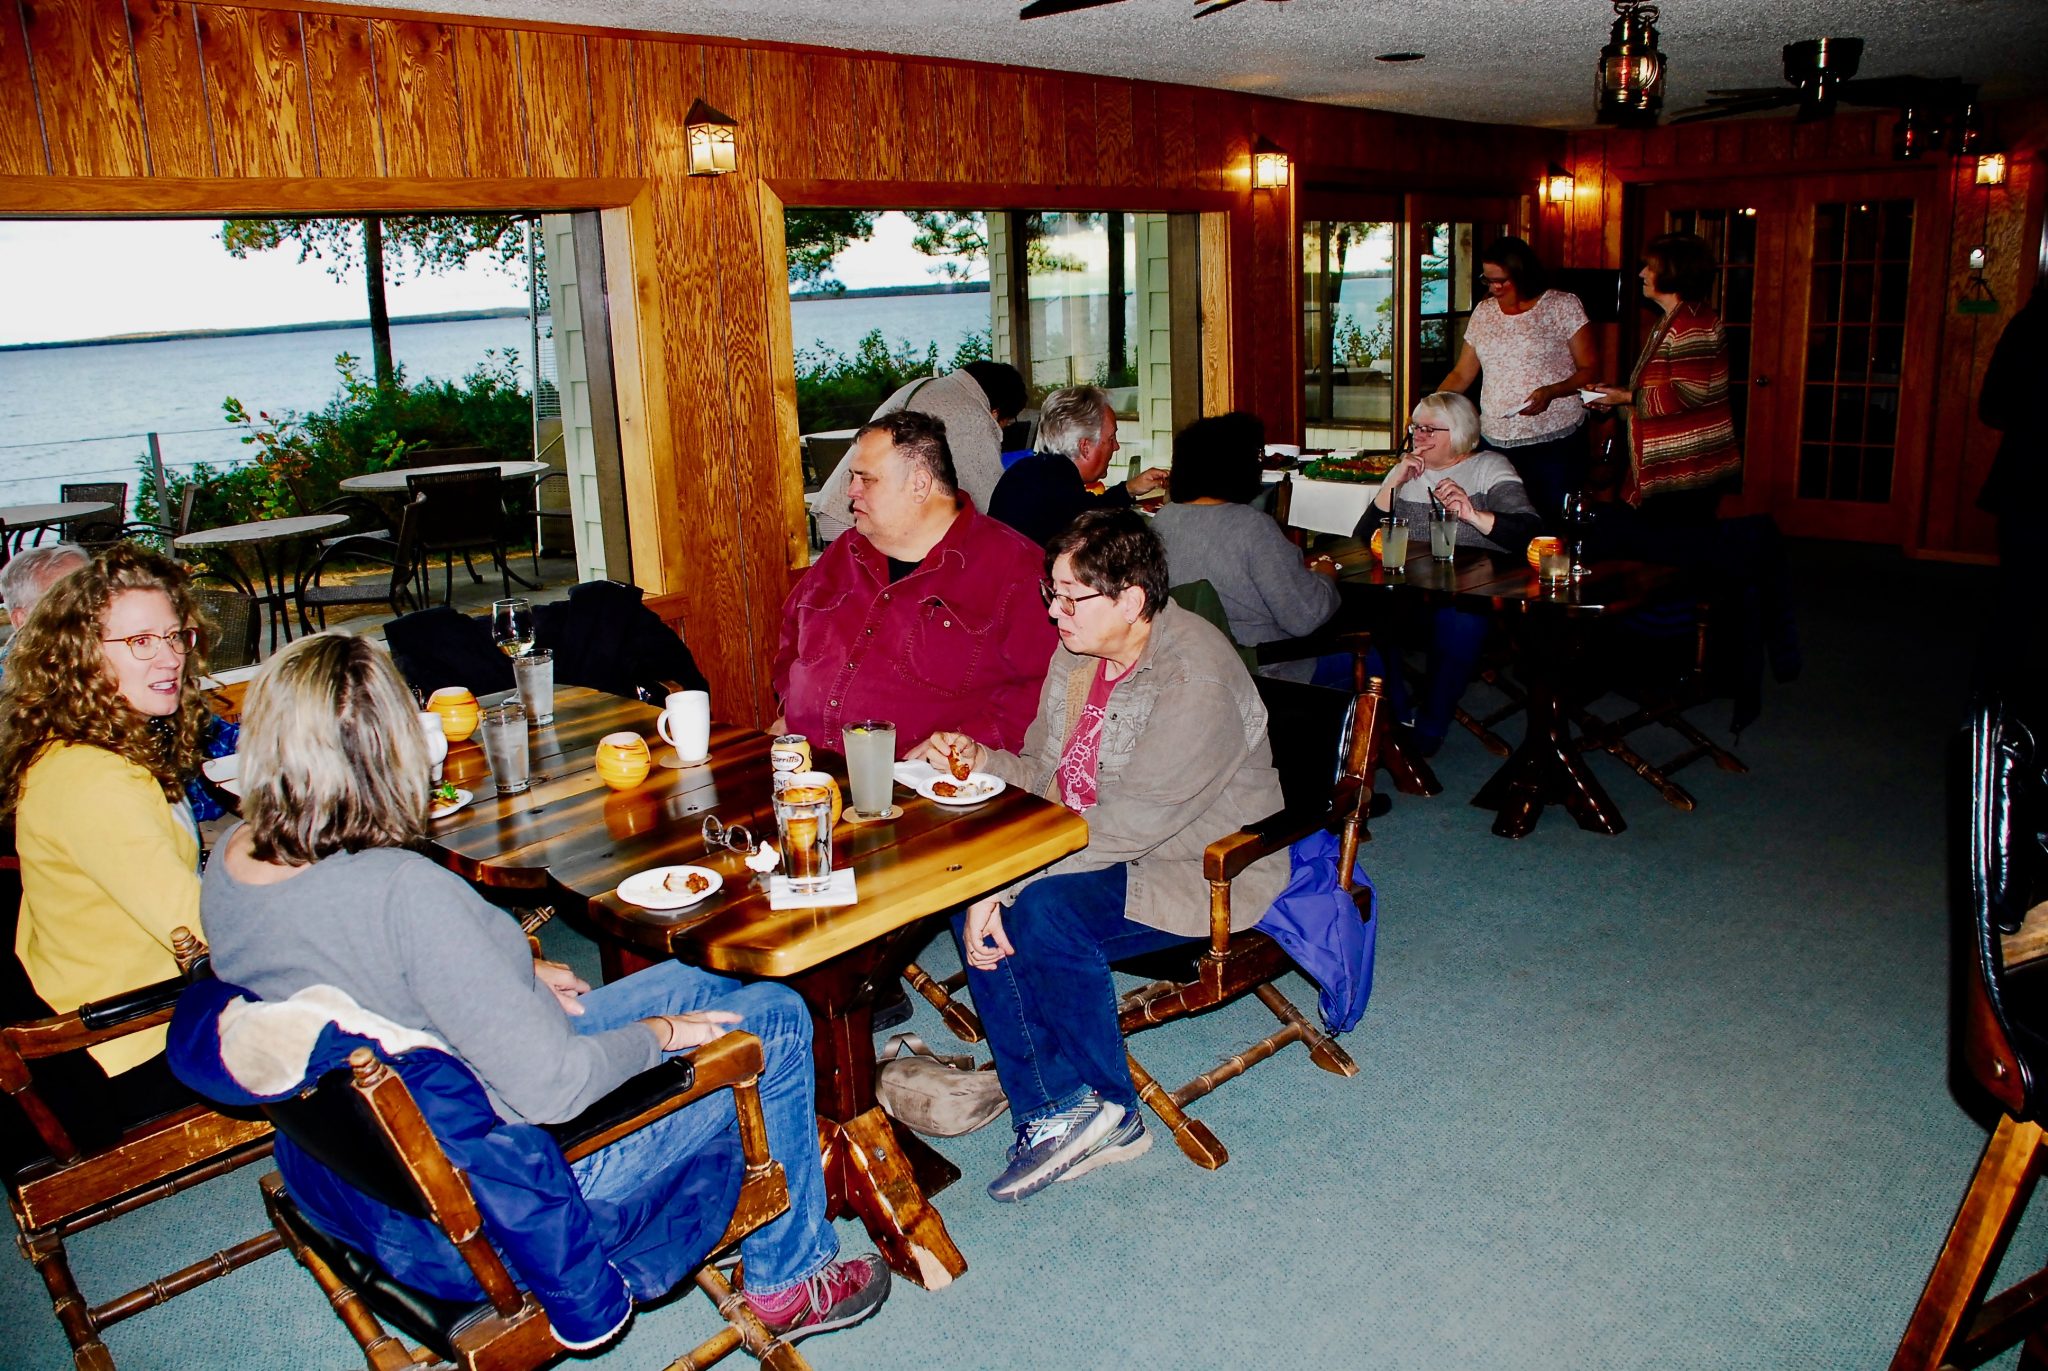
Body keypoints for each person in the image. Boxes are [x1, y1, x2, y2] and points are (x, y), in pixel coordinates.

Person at [197, 633, 889, 1343]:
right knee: (773, 1017)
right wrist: (662, 1036)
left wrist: (508, 974)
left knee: (712, 977)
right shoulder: (404, 892)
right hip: (514, 1181)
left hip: (392, 1143)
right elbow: (556, 1089)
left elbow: (351, 979)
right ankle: (788, 1279)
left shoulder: (234, 858)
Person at [912, 509, 1288, 1202]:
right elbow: (1048, 769)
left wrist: (1012, 878)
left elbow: (1131, 824)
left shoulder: (1192, 676)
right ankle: (1052, 1110)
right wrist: (979, 758)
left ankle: (1112, 1111)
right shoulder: (1078, 653)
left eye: (1070, 597)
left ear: (1132, 600)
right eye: (1049, 593)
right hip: (1095, 842)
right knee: (984, 889)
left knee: (1040, 906)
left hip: (1201, 865)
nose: (1054, 612)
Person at [0, 542, 210, 1127]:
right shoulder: (95, 780)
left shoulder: (81, 745)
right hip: (129, 1045)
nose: (169, 658)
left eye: (174, 636)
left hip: (94, 1004)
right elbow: (201, 934)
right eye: (139, 642)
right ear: (79, 655)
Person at [774, 409, 1058, 755]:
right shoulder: (842, 554)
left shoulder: (1015, 571)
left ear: (920, 484)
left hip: (921, 790)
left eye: (866, 479)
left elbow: (1048, 688)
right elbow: (790, 636)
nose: (851, 491)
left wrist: (965, 746)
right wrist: (791, 708)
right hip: (805, 768)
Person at [1356, 391, 1541, 755]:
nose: (1418, 437)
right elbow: (1364, 541)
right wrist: (1392, 482)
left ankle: (1430, 726)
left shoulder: (1489, 466)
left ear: (1459, 432)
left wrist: (1472, 514)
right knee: (1364, 611)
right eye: (1415, 428)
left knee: (1461, 619)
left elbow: (1530, 532)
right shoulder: (1408, 470)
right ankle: (1397, 715)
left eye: (1430, 429)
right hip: (1412, 591)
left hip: (1475, 592)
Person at [1147, 412, 1342, 683]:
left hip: (1188, 669)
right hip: (1260, 671)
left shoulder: (1163, 521)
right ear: (1241, 466)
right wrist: (1326, 576)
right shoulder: (1253, 528)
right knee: (1372, 656)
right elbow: (1304, 617)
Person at [1438, 236, 1598, 526]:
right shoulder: (1484, 313)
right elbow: (1462, 374)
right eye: (1488, 281)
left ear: (1523, 274)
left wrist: (1552, 391)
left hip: (1554, 440)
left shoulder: (1562, 306)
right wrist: (1432, 407)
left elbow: (1589, 369)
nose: (1494, 288)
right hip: (1495, 439)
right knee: (1500, 520)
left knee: (1552, 521)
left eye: (1502, 281)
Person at [1587, 232, 1742, 522]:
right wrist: (1615, 398)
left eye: (1651, 267)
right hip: (1673, 465)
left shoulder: (1691, 325)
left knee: (1674, 551)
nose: (1642, 273)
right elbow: (1658, 387)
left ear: (1674, 273)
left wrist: (1624, 397)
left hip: (1687, 467)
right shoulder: (1675, 319)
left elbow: (1687, 394)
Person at [811, 360, 1028, 543]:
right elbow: (991, 503)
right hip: (863, 520)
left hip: (837, 508)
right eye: (1004, 424)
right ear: (995, 412)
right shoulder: (972, 414)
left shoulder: (926, 386)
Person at [988, 385, 1169, 547]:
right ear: (1085, 447)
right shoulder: (1058, 487)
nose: (1116, 446)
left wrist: (1130, 489)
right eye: (1111, 438)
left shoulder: (1030, 471)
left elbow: (1087, 508)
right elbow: (1092, 520)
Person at [1977, 286, 2048, 692]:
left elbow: (1994, 406)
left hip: (2030, 481)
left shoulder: (2032, 323)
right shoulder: (2033, 323)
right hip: (2032, 484)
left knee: (2017, 605)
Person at [0, 542, 88, 667]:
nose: (89, 609)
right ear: (23, 620)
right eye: (64, 602)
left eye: (93, 592)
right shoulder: (19, 681)